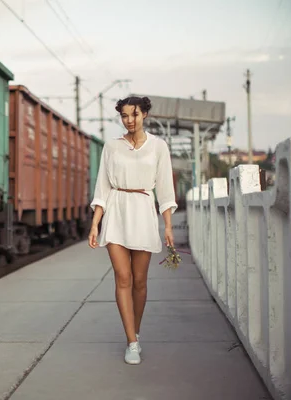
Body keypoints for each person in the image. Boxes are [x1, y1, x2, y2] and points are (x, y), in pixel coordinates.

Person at [88, 96, 177, 365]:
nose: (129, 120)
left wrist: (168, 225)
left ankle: (135, 331)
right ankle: (132, 342)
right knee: (122, 277)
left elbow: (164, 187)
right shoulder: (112, 147)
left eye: (134, 115)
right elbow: (103, 185)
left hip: (143, 210)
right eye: (124, 116)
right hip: (116, 211)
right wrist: (95, 222)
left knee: (139, 281)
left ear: (145, 115)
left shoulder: (158, 147)